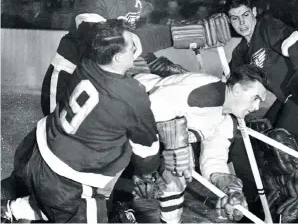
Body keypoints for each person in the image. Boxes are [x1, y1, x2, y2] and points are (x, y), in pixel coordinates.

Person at [1, 19, 163, 223]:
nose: (136, 49)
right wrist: (148, 173)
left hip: (35, 150)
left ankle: (11, 209)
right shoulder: (132, 95)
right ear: (119, 56)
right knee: (63, 206)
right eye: (132, 46)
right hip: (67, 180)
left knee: (50, 205)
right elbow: (147, 150)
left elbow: (98, 35)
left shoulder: (87, 63)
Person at [224, 0, 298, 221]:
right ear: (229, 21)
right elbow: (231, 85)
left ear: (255, 13)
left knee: (281, 143)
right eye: (235, 18)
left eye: (246, 15)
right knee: (262, 137)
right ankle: (276, 194)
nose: (242, 23)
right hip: (286, 98)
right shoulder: (240, 52)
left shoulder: (267, 27)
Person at [133, 64, 269, 223]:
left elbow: (213, 162)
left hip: (148, 133)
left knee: (178, 173)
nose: (257, 107)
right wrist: (167, 152)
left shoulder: (226, 121)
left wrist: (231, 189)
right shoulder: (210, 91)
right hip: (125, 101)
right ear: (237, 89)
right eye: (255, 98)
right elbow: (152, 103)